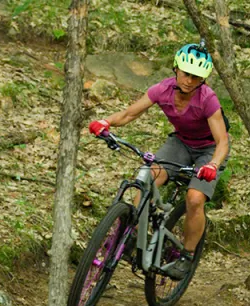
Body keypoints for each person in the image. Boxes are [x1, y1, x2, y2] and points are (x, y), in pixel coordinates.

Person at [88, 42, 229, 281]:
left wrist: (212, 165)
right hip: (181, 143)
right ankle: (130, 231)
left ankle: (187, 255)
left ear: (203, 79)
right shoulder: (161, 90)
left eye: (196, 77)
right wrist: (106, 122)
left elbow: (222, 141)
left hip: (208, 150)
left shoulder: (208, 100)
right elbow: (129, 114)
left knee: (195, 199)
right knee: (146, 176)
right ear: (176, 69)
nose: (189, 81)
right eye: (186, 74)